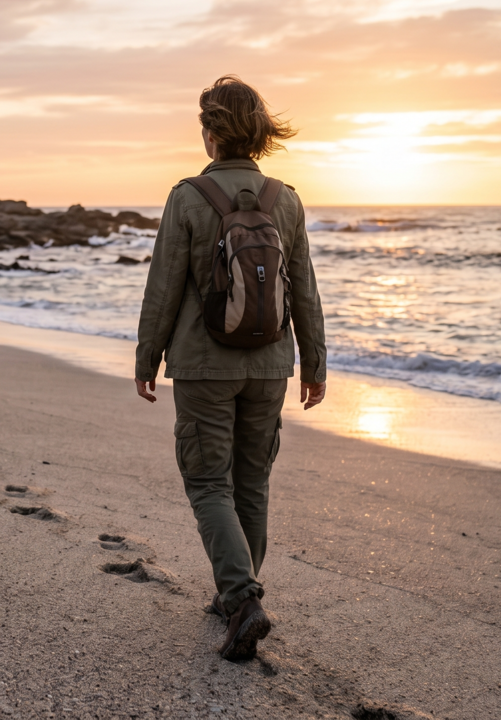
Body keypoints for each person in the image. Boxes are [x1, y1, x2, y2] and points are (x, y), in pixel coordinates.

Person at [134, 76, 327, 661]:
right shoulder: (284, 198)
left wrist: (147, 355)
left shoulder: (188, 196)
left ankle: (242, 600)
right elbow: (305, 291)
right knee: (253, 481)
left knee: (208, 481)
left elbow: (165, 286)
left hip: (204, 366)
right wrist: (314, 362)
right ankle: (235, 597)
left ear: (212, 132)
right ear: (260, 134)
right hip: (271, 363)